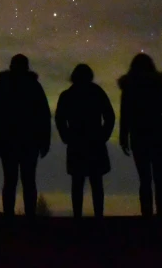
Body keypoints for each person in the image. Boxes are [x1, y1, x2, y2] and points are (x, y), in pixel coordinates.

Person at [0, 54, 51, 218]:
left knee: (12, 181)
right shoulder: (33, 86)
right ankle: (27, 217)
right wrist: (44, 141)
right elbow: (44, 115)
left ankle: (10, 217)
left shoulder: (1, 86)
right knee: (26, 181)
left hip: (9, 141)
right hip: (27, 141)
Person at [118, 54, 162, 217]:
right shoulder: (158, 85)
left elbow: (125, 114)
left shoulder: (129, 87)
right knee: (160, 179)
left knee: (145, 180)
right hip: (159, 136)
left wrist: (123, 136)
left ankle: (147, 215)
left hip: (139, 137)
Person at [55, 64, 116, 219]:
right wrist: (103, 135)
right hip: (94, 142)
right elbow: (109, 116)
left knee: (78, 182)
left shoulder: (68, 95)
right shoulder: (96, 92)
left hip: (77, 143)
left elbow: (60, 119)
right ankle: (98, 216)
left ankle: (78, 217)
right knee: (95, 183)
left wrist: (67, 136)